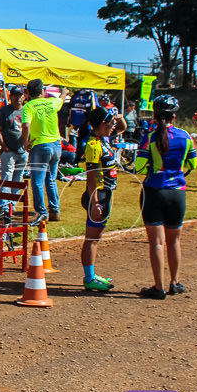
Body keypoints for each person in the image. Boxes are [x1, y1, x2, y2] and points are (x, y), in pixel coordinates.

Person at [135, 95, 196, 299]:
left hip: (154, 190)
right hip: (177, 192)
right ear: (175, 116)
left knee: (156, 243)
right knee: (174, 241)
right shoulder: (186, 136)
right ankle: (175, 283)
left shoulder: (150, 137)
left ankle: (158, 287)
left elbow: (139, 167)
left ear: (154, 116)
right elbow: (192, 165)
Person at [80, 106, 126, 292]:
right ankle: (89, 278)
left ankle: (91, 275)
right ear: (101, 124)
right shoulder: (93, 145)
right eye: (109, 122)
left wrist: (117, 116)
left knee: (95, 238)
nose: (113, 125)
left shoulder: (105, 139)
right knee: (91, 238)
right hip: (97, 196)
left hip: (106, 194)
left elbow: (122, 127)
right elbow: (91, 177)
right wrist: (95, 203)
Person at [21, 79, 69, 225]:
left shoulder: (28, 107)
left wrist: (25, 142)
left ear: (28, 92)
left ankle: (42, 212)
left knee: (37, 181)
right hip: (56, 145)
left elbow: (26, 125)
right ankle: (55, 210)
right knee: (51, 179)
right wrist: (64, 92)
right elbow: (61, 99)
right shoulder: (51, 102)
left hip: (41, 146)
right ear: (42, 91)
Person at [0, 86, 27, 220]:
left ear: (24, 97)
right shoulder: (5, 110)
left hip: (22, 151)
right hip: (8, 151)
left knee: (18, 178)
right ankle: (4, 206)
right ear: (11, 96)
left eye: (20, 95)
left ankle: (13, 204)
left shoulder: (26, 111)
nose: (18, 98)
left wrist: (28, 146)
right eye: (15, 95)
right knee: (6, 177)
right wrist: (3, 146)